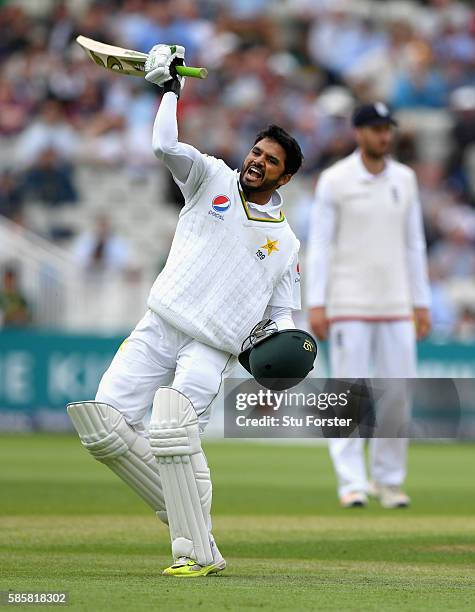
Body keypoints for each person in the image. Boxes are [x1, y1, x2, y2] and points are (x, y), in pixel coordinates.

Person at [67, 44, 303, 577]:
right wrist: (171, 90)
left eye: (270, 161)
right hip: (160, 321)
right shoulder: (210, 178)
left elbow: (283, 314)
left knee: (172, 431)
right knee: (102, 428)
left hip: (212, 344)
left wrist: (280, 364)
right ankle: (202, 535)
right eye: (256, 152)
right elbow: (163, 144)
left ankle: (193, 552)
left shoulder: (286, 244)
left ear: (283, 178)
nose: (256, 161)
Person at [306, 102, 431, 509]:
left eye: (387, 129)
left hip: (396, 304)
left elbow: (414, 243)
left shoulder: (405, 179)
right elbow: (320, 245)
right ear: (358, 133)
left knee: (398, 392)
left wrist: (422, 302)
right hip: (348, 303)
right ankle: (351, 482)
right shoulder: (335, 180)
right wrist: (318, 302)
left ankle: (389, 480)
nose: (384, 136)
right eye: (376, 129)